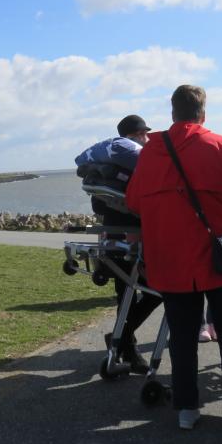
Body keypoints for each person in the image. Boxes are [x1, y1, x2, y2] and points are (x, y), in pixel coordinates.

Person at [126, 85, 222, 432]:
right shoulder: (220, 146)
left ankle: (186, 409)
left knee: (182, 339)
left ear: (172, 113)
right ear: (203, 113)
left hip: (170, 263)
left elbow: (133, 202)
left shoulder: (151, 153)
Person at [75, 114, 161, 373]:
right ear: (133, 137)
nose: (147, 139)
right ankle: (124, 341)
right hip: (130, 242)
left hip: (114, 243)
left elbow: (99, 206)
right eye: (143, 135)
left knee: (126, 295)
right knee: (151, 289)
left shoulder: (108, 172)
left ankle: (123, 342)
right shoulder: (128, 169)